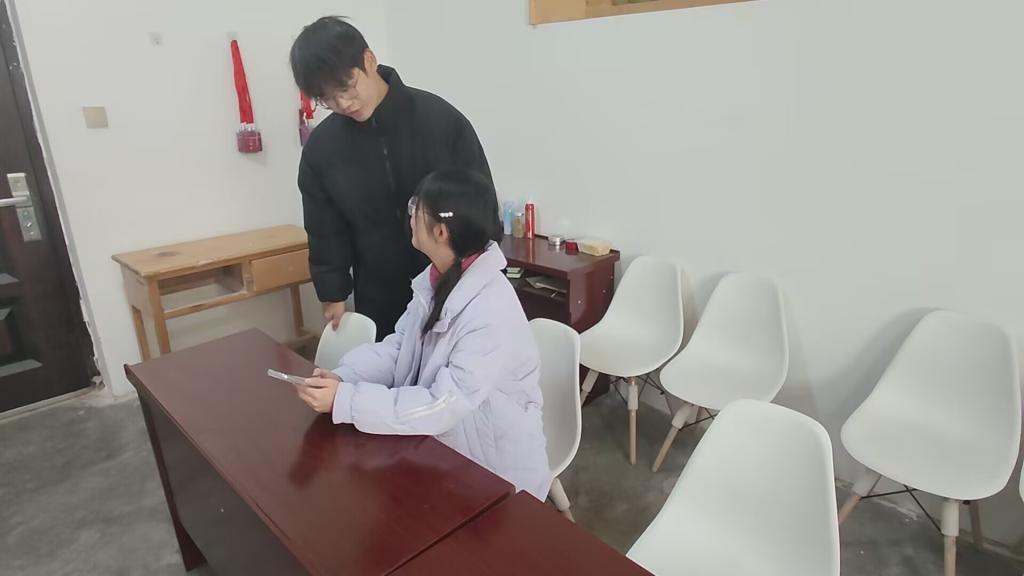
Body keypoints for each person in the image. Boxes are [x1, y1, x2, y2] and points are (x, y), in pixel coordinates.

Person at [294, 169, 550, 501]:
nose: (410, 215)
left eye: (416, 208)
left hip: (494, 473)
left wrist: (347, 402)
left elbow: (442, 404)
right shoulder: (438, 279)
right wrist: (345, 378)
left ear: (441, 232)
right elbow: (398, 348)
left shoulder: (489, 312)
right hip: (443, 450)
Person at [290, 16, 493, 339]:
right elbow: (324, 229)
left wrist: (482, 275)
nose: (343, 103)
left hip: (453, 285)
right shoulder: (322, 149)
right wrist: (333, 292)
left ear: (369, 60)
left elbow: (480, 203)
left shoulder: (440, 121)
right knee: (388, 363)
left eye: (347, 86)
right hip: (378, 291)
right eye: (327, 99)